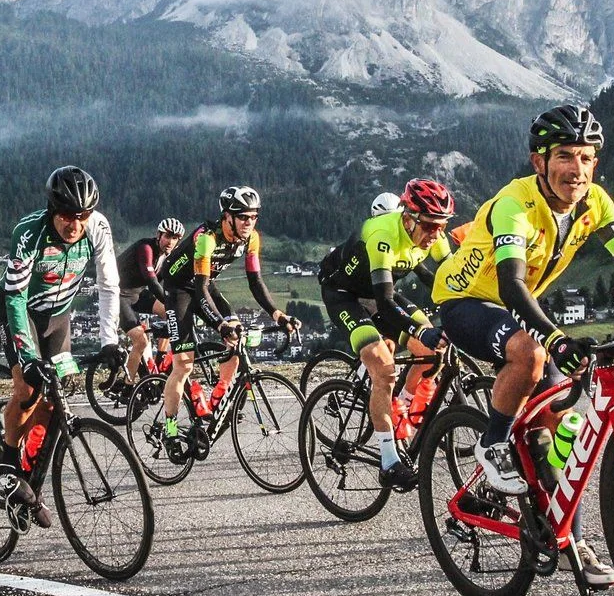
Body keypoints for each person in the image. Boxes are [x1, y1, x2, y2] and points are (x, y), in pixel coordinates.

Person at [431, 104, 614, 589]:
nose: (577, 170)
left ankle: (571, 540)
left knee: (564, 435)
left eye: (586, 158)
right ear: (538, 161)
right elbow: (511, 285)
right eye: (565, 156)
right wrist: (555, 337)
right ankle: (493, 442)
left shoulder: (596, 203)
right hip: (466, 302)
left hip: (515, 306)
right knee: (532, 353)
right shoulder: (514, 204)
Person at [0, 166, 122, 527]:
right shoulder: (30, 231)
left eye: (82, 215)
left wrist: (109, 340)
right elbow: (15, 296)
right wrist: (27, 355)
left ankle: (30, 478)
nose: (75, 224)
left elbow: (109, 284)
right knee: (29, 388)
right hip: (21, 311)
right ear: (52, 209)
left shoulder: (97, 227)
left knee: (56, 396)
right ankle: (6, 461)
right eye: (66, 215)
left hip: (59, 315)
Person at [318, 179, 455, 492]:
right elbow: (384, 303)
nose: (435, 234)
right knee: (383, 369)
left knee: (432, 354)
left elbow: (450, 278)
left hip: (381, 292)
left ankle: (402, 407)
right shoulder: (382, 234)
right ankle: (389, 460)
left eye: (441, 226)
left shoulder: (434, 236)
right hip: (346, 295)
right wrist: (422, 329)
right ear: (408, 218)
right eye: (430, 226)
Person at [155, 186, 300, 460]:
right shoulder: (206, 239)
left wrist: (277, 314)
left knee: (237, 340)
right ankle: (170, 428)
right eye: (243, 216)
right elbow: (198, 289)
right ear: (227, 217)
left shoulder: (252, 238)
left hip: (207, 285)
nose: (249, 222)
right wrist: (220, 324)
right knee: (183, 364)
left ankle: (216, 402)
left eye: (254, 217)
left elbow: (255, 281)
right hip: (180, 290)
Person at [116, 218, 182, 382]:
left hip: (137, 293)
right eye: (167, 236)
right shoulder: (145, 248)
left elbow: (169, 282)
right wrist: (167, 300)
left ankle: (159, 358)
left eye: (175, 238)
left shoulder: (165, 255)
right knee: (141, 341)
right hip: (118, 296)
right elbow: (152, 282)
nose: (170, 241)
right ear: (158, 235)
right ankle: (127, 384)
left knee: (171, 313)